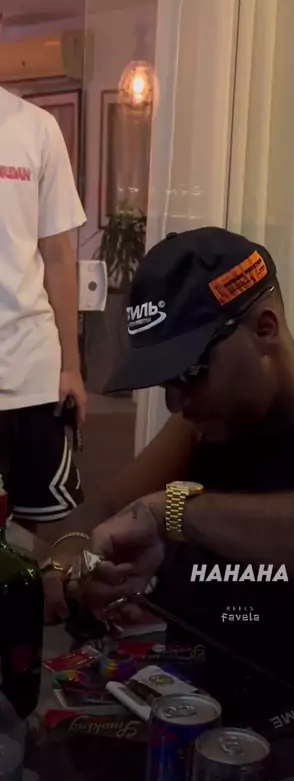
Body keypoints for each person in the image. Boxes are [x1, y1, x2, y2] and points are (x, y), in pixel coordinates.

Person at [42, 227, 294, 772]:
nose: (177, 402)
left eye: (191, 374)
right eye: (164, 382)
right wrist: (78, 564)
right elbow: (91, 519)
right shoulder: (205, 425)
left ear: (265, 329)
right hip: (220, 731)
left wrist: (173, 512)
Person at [0, 13, 86, 532]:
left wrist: (71, 366)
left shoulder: (36, 128)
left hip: (31, 369)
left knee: (32, 531)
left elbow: (57, 254)